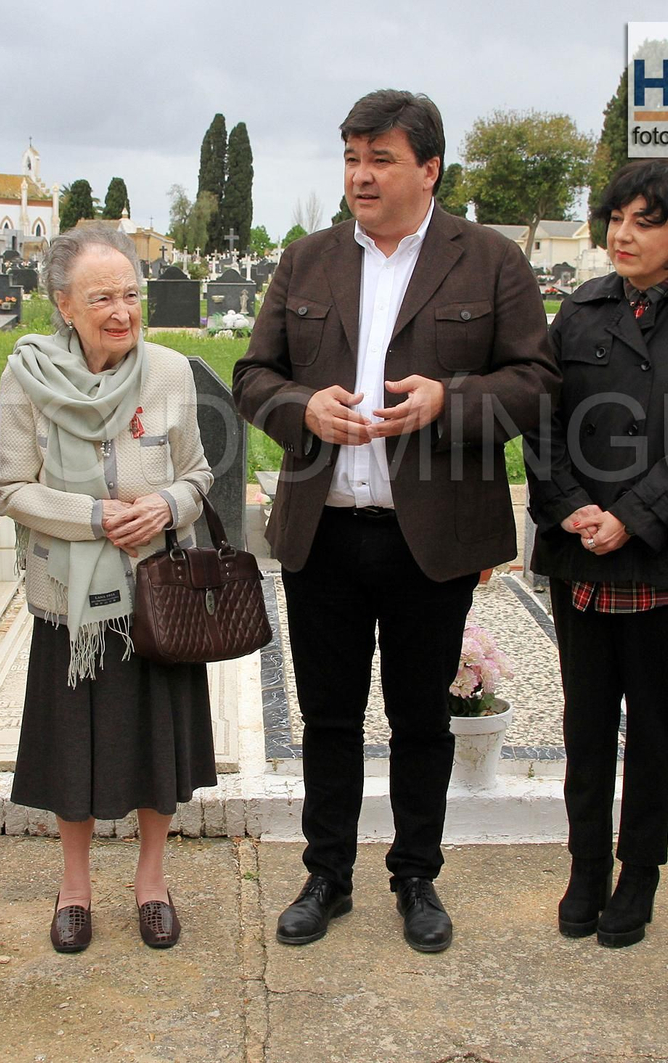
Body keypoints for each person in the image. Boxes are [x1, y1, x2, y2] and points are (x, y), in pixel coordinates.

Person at [232, 89, 558, 953]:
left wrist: (451, 401)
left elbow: (536, 383)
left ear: (429, 168)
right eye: (350, 157)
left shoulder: (488, 260)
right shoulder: (305, 260)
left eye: (379, 158)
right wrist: (305, 409)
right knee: (328, 717)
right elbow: (252, 377)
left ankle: (416, 874)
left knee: (421, 717)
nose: (360, 175)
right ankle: (326, 873)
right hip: (324, 534)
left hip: (432, 539)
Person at [527, 160, 668, 948]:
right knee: (585, 722)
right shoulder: (582, 309)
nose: (622, 234)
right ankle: (584, 867)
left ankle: (639, 874)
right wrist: (570, 509)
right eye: (616, 217)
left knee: (654, 727)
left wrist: (632, 515)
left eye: (645, 220)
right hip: (584, 550)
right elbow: (543, 421)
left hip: (665, 553)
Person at [0, 226, 216, 953]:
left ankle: (152, 882)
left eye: (130, 294)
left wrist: (166, 505)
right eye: (101, 298)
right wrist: (92, 516)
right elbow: (13, 488)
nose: (121, 311)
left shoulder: (171, 372)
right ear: (63, 304)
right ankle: (75, 887)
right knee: (72, 748)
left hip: (156, 594)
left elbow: (199, 475)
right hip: (70, 598)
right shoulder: (28, 375)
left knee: (157, 745)